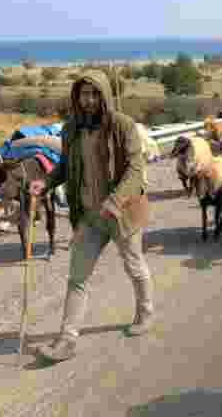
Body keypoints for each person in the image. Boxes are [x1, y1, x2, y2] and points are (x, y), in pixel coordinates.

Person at [28, 70, 155, 362]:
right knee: (77, 278)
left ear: (105, 95)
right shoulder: (71, 129)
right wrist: (46, 182)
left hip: (122, 213)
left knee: (134, 266)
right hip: (89, 216)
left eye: (95, 93)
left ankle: (145, 312)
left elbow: (136, 170)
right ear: (77, 96)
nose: (89, 100)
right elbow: (64, 166)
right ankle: (67, 339)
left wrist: (115, 200)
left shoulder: (123, 126)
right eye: (84, 94)